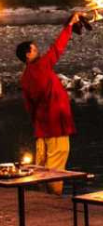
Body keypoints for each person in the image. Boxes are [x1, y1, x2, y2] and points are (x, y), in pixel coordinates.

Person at [17, 12, 84, 195]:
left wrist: (37, 124)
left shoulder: (25, 78)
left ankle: (41, 195)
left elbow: (29, 106)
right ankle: (53, 199)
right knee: (55, 165)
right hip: (56, 125)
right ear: (28, 54)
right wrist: (69, 26)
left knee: (42, 163)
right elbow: (57, 48)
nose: (37, 50)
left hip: (42, 126)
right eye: (34, 49)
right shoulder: (41, 66)